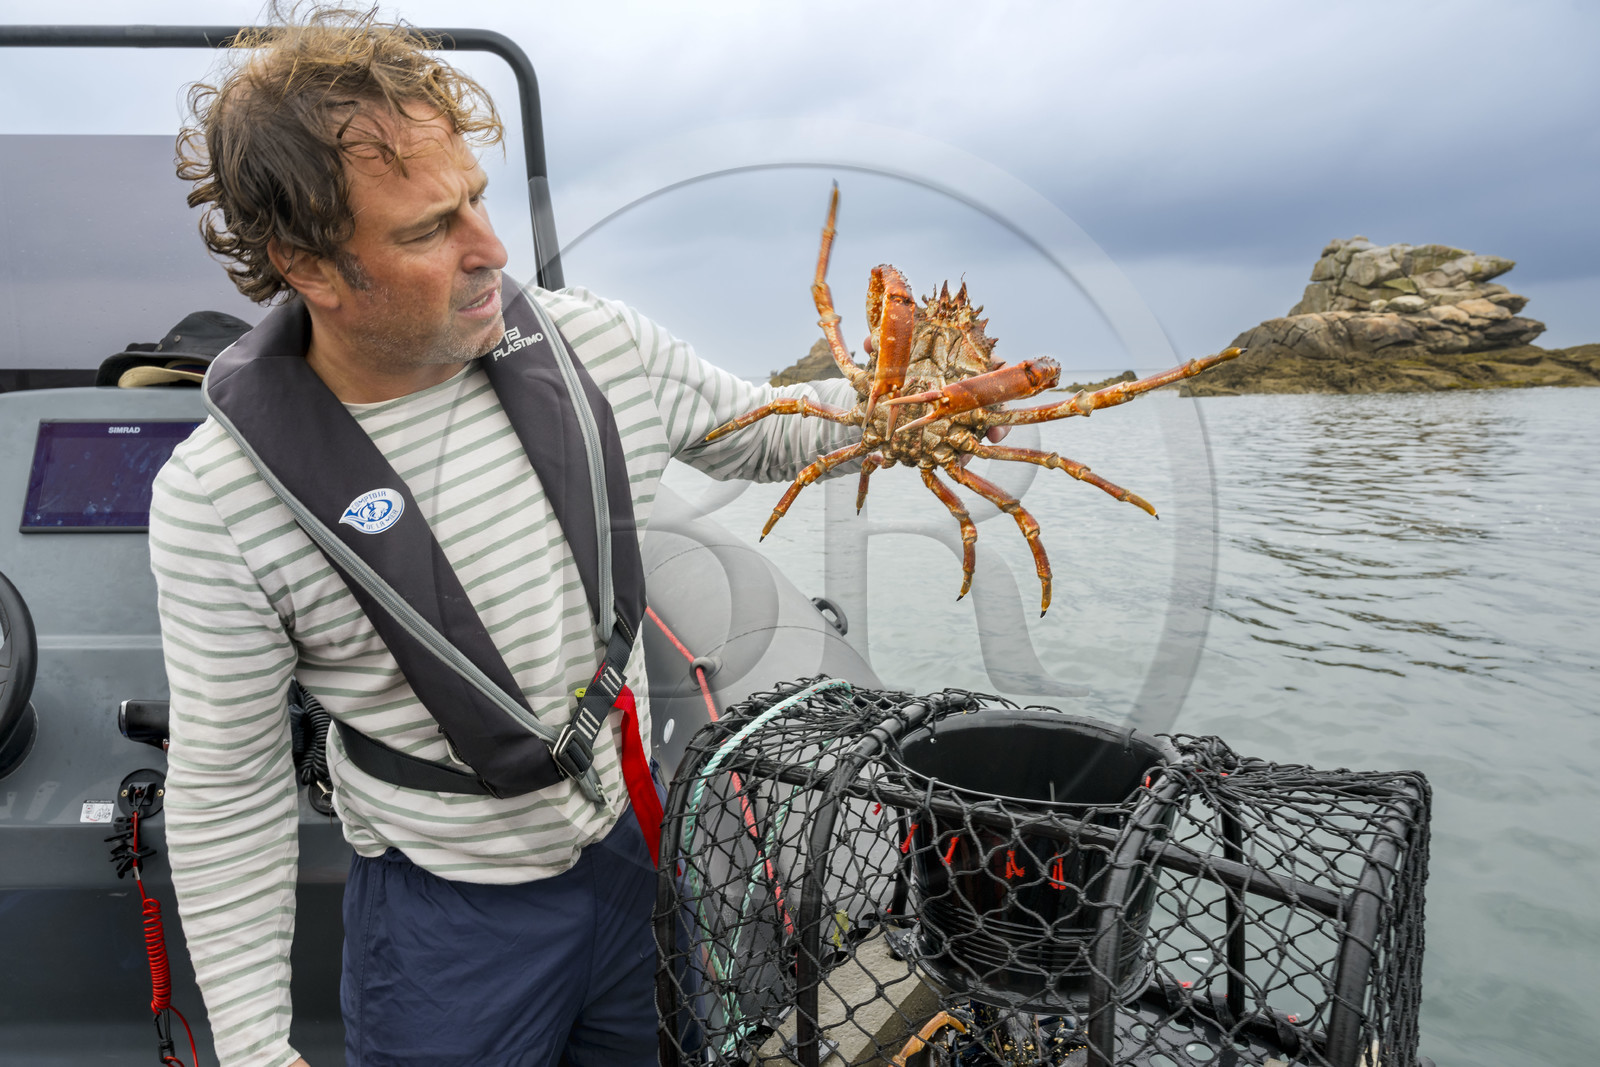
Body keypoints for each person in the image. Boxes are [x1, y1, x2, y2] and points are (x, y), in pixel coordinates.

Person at [151, 9, 860, 1066]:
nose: (492, 251)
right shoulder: (220, 498)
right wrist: (255, 1043)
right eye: (430, 229)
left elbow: (765, 431)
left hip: (627, 859)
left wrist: (906, 408)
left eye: (477, 198)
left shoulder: (592, 343)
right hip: (443, 926)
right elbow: (229, 784)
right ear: (306, 265)